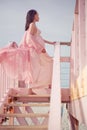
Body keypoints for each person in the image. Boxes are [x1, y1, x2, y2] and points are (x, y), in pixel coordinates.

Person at [19, 9, 56, 94]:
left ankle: (41, 85)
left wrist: (50, 43)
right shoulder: (32, 25)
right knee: (37, 68)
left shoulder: (33, 25)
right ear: (33, 16)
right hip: (35, 51)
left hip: (37, 51)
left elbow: (39, 38)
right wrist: (39, 48)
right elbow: (30, 39)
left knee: (46, 64)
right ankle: (34, 88)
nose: (39, 17)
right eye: (37, 15)